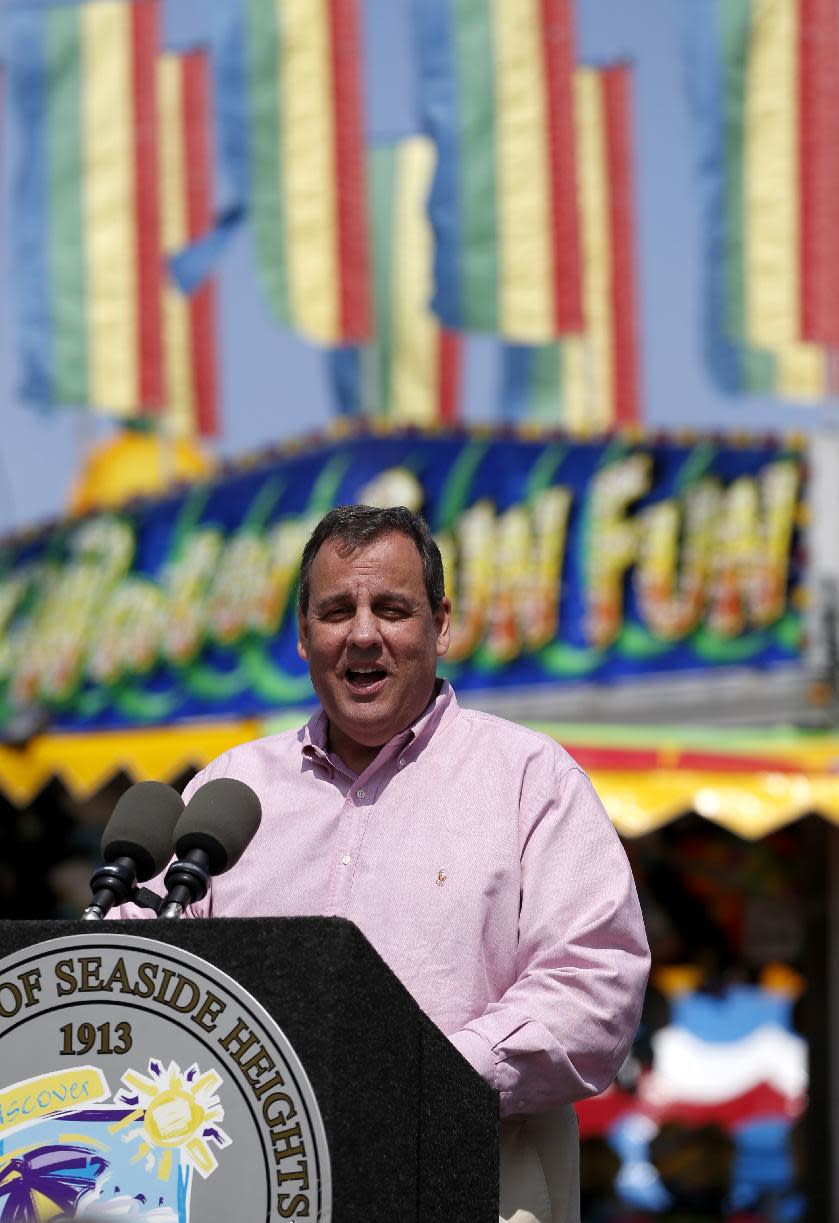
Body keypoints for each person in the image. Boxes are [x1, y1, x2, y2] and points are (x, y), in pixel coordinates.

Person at [115, 504, 650, 1223]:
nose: (362, 633)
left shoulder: (529, 779)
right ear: (303, 635)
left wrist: (426, 1078)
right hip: (246, 1190)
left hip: (455, 1188)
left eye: (391, 608)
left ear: (441, 624)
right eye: (336, 610)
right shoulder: (228, 789)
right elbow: (140, 971)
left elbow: (595, 983)